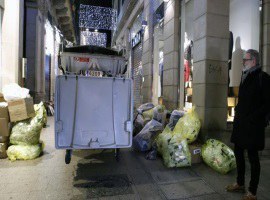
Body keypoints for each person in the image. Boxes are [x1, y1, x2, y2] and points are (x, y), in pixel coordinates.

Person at [226, 49, 270, 200]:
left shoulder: (262, 78)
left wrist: (253, 117)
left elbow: (267, 104)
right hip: (241, 124)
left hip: (253, 126)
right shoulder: (244, 75)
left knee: (252, 157)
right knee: (238, 153)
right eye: (243, 60)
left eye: (246, 60)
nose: (243, 62)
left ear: (254, 61)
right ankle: (240, 183)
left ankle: (252, 191)